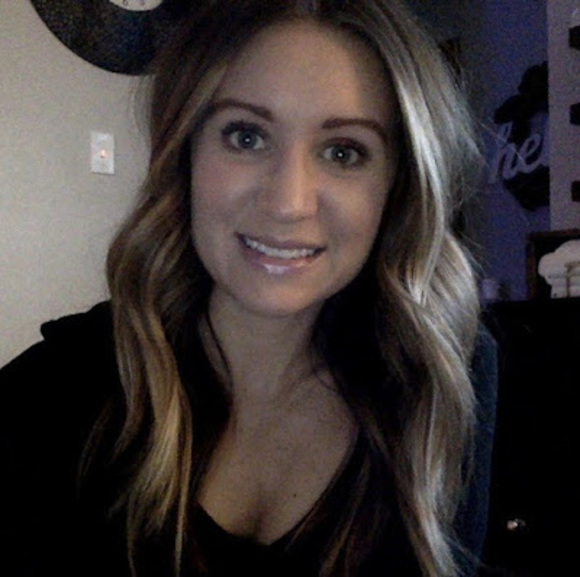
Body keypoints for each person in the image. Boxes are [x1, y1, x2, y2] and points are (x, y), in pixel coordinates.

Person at [1, 1, 497, 576]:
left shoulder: (440, 378)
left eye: (344, 152)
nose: (288, 203)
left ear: (398, 185)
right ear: (185, 153)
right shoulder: (56, 392)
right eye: (246, 137)